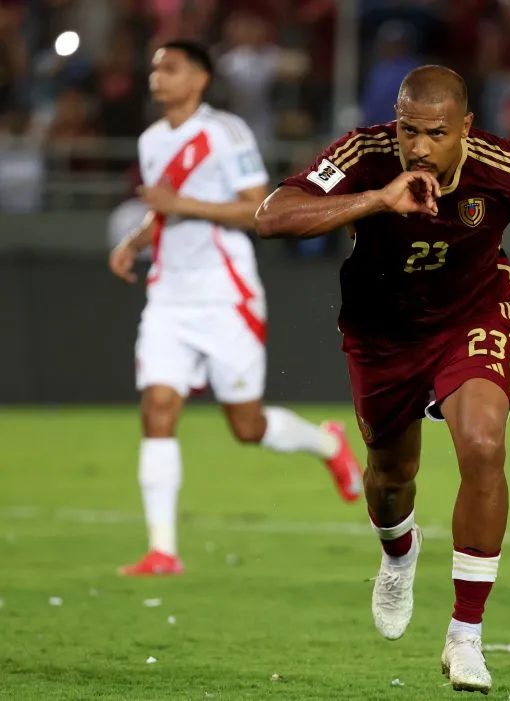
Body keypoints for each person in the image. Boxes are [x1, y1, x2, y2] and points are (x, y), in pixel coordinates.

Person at [255, 65, 510, 693]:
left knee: (482, 445)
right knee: (391, 478)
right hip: (381, 330)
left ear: (466, 129)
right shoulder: (365, 154)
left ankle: (465, 636)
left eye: (435, 133)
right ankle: (399, 553)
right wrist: (377, 199)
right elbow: (273, 215)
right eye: (407, 129)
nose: (418, 147)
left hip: (471, 313)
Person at [109, 40, 363, 577]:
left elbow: (258, 210)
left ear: (200, 79)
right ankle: (163, 550)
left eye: (171, 68)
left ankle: (325, 442)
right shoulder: (152, 139)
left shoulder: (226, 132)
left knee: (246, 427)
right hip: (169, 296)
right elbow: (166, 212)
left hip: (226, 294)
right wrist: (135, 240)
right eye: (155, 69)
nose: (159, 78)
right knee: (157, 409)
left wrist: (180, 205)